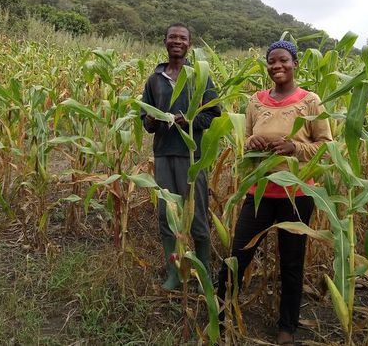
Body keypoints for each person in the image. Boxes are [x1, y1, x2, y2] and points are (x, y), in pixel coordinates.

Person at [217, 40, 332, 345]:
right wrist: (252, 143)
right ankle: (220, 311)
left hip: (297, 196)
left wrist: (295, 147)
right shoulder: (255, 101)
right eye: (271, 62)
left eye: (283, 60)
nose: (277, 66)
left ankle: (287, 327)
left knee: (292, 264)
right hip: (258, 193)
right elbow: (246, 143)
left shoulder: (309, 101)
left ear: (295, 64)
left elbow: (327, 148)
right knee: (237, 256)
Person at [141, 23, 221, 290]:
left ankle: (203, 273)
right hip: (164, 155)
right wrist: (152, 121)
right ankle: (174, 271)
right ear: (164, 42)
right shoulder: (155, 79)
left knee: (196, 216)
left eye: (182, 38)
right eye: (172, 37)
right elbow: (146, 120)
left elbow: (213, 114)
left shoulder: (200, 76)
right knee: (167, 215)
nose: (177, 41)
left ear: (189, 43)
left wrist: (187, 121)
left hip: (192, 157)